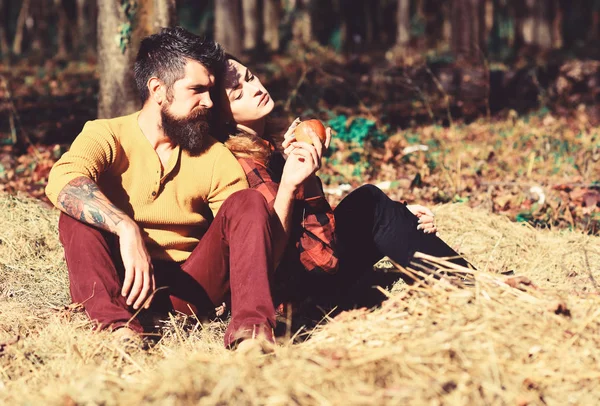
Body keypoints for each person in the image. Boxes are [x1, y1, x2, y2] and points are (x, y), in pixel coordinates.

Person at [45, 28, 278, 350]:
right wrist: (126, 228)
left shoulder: (215, 155)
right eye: (196, 90)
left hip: (192, 287)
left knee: (248, 202)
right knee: (76, 213)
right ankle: (116, 330)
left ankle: (252, 334)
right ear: (158, 89)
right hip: (122, 282)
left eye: (210, 90)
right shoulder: (107, 134)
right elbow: (64, 179)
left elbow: (246, 233)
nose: (209, 102)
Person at [211, 56, 474, 321]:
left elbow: (303, 227)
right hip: (295, 301)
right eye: (238, 95)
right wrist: (307, 180)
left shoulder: (267, 146)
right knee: (370, 204)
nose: (255, 88)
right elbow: (321, 259)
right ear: (223, 116)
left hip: (307, 275)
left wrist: (402, 218)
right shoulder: (247, 167)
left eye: (250, 77)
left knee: (373, 206)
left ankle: (466, 281)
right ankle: (472, 286)